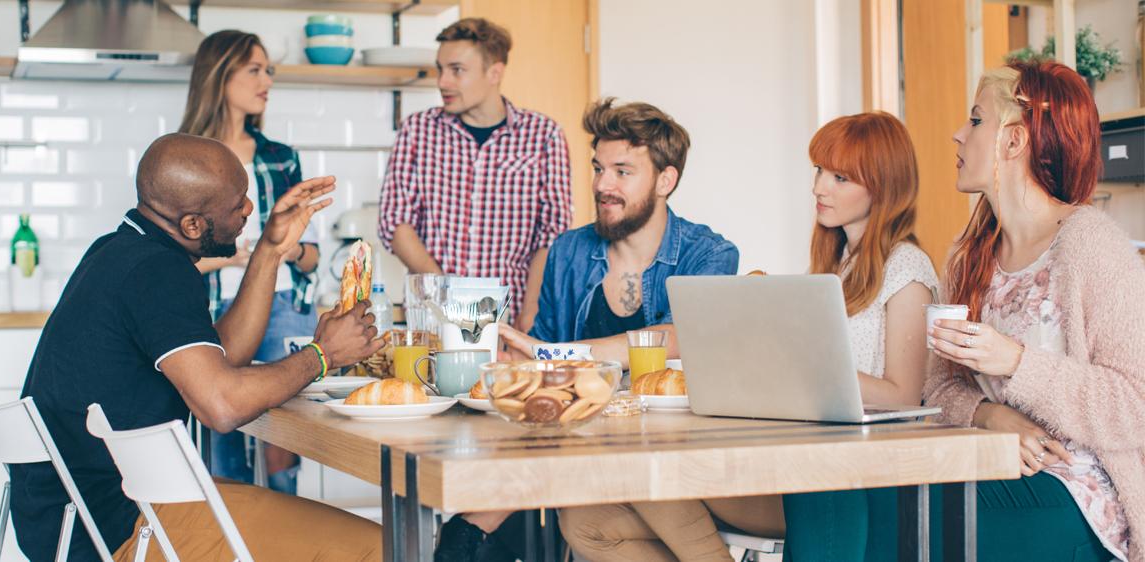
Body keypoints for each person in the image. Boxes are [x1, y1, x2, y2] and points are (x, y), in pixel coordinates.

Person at [783, 60, 1142, 562]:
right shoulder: (971, 253)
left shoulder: (1090, 245)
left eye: (975, 120)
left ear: (1013, 142)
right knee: (822, 479)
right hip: (989, 463)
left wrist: (1017, 363)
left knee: (880, 509)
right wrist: (989, 414)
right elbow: (939, 388)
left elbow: (1135, 407)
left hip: (1076, 496)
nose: (957, 135)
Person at [557, 111, 938, 561]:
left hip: (845, 475)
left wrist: (795, 368)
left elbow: (905, 397)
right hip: (797, 457)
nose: (819, 187)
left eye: (839, 177)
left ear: (882, 185)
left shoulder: (907, 269)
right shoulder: (835, 265)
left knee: (647, 465)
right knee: (585, 521)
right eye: (818, 171)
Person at [10, 133, 385, 561]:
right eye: (237, 203)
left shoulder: (118, 250)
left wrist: (270, 248)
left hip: (68, 516)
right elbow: (221, 405)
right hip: (120, 523)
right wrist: (324, 355)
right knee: (377, 547)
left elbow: (219, 356)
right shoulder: (159, 271)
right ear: (192, 225)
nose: (249, 209)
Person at [434, 98, 740, 561]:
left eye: (622, 171)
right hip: (585, 451)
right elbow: (541, 354)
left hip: (677, 454)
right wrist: (512, 363)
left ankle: (484, 517)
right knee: (581, 521)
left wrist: (556, 355)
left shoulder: (710, 254)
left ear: (666, 179)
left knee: (580, 495)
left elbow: (681, 335)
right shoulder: (570, 251)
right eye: (598, 168)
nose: (602, 184)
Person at [178, 29, 317, 494]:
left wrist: (283, 249)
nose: (266, 81)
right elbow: (168, 264)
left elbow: (311, 257)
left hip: (282, 310)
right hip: (211, 311)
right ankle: (233, 533)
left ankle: (286, 529)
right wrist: (234, 259)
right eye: (254, 69)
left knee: (286, 437)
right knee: (222, 431)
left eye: (269, 70)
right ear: (220, 76)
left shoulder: (281, 158)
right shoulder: (184, 161)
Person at [378, 17, 572, 330]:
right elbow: (395, 222)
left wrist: (531, 312)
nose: (443, 82)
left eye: (457, 70)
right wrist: (448, 296)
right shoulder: (417, 130)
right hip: (432, 317)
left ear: (494, 72)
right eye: (440, 69)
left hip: (511, 316)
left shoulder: (543, 135)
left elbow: (551, 235)